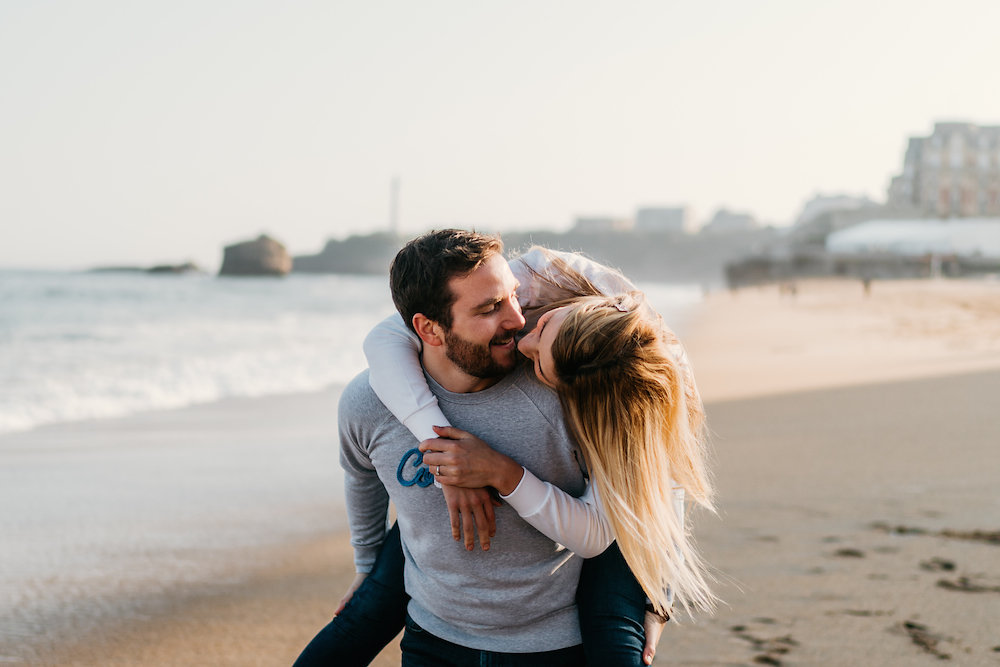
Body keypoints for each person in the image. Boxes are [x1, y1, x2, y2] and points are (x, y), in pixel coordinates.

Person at [298, 230, 590, 666]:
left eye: (512, 297)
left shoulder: (558, 390)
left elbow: (638, 497)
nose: (516, 319)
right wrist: (366, 565)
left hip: (553, 644)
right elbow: (360, 473)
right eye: (489, 309)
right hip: (432, 638)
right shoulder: (369, 404)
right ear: (428, 329)